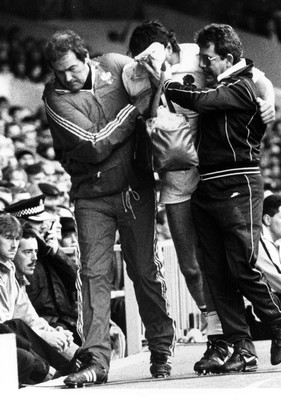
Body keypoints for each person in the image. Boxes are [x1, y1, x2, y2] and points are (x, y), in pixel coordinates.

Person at [125, 20, 276, 374]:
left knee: (227, 263)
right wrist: (152, 76)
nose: (155, 59)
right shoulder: (134, 74)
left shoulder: (198, 57)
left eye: (160, 52)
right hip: (176, 177)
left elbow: (259, 77)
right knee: (192, 267)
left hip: (211, 171)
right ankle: (221, 336)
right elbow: (145, 111)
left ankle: (231, 339)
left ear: (173, 47)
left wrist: (267, 102)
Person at [42, 30, 175, 387]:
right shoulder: (54, 98)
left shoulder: (116, 65)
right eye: (59, 72)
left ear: (85, 57)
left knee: (144, 270)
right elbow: (94, 144)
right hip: (91, 196)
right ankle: (96, 359)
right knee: (93, 276)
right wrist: (132, 111)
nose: (66, 78)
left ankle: (161, 347)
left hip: (135, 189)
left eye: (70, 69)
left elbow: (154, 93)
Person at [0, 213, 76, 382]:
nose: (13, 245)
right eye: (8, 238)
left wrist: (50, 331)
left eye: (16, 239)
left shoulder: (10, 268)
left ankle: (71, 365)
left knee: (66, 341)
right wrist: (45, 335)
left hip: (17, 332)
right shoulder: (13, 269)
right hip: (9, 334)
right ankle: (57, 370)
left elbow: (29, 315)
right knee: (18, 336)